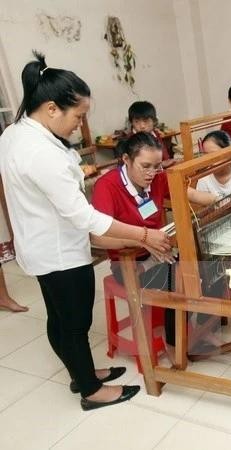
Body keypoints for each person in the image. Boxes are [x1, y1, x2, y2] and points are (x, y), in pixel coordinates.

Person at [0, 51, 171, 411]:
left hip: (39, 244)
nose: (80, 124)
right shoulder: (39, 152)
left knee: (59, 317)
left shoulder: (15, 134)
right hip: (59, 251)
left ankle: (82, 372)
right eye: (77, 116)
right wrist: (143, 235)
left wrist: (80, 174)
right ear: (50, 108)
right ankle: (91, 390)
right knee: (74, 323)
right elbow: (87, 218)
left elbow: (45, 183)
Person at [91, 132, 217, 356]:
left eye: (157, 166)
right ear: (126, 160)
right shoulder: (107, 186)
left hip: (160, 253)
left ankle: (198, 327)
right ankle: (175, 344)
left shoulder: (159, 178)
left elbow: (195, 195)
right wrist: (142, 238)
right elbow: (97, 237)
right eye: (145, 166)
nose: (152, 173)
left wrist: (229, 191)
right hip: (128, 263)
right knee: (179, 277)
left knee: (205, 263)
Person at [196, 130, 231, 197]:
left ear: (229, 153)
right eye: (206, 155)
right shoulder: (204, 178)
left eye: (214, 155)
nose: (210, 161)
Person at [127, 100, 176, 168]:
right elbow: (137, 168)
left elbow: (165, 157)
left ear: (154, 121)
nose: (142, 126)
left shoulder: (155, 134)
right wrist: (161, 165)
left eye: (146, 121)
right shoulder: (130, 140)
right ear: (131, 123)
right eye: (136, 122)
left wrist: (169, 162)